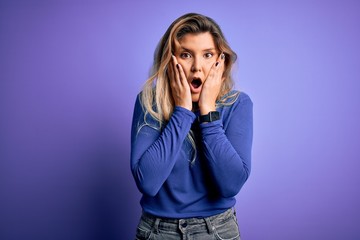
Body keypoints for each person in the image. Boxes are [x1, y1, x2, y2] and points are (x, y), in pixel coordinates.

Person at [130, 13, 253, 240]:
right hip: (157, 232)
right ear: (170, 60)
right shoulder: (149, 103)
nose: (197, 67)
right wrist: (182, 112)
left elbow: (230, 185)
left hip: (217, 231)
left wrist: (207, 111)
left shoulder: (238, 104)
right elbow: (148, 182)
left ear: (220, 61)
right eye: (186, 55)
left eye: (207, 55)